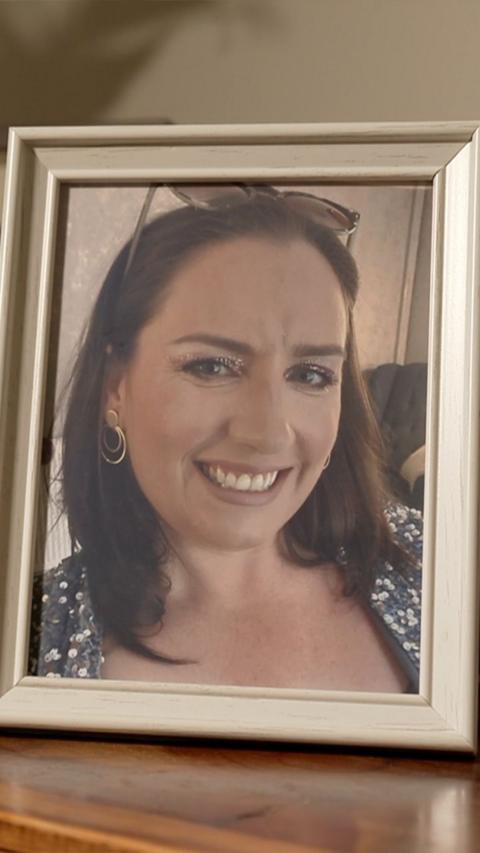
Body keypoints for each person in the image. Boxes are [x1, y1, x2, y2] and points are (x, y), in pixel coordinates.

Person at [29, 185, 422, 692]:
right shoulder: (31, 635)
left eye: (310, 375)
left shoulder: (433, 572)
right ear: (115, 388)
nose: (266, 434)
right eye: (212, 366)